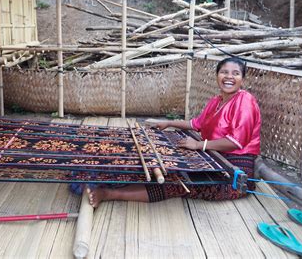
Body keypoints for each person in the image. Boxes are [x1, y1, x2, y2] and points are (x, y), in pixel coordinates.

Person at [87, 57, 262, 207]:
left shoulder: (245, 100)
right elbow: (196, 124)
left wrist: (199, 145)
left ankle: (109, 194)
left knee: (180, 183)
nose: (229, 77)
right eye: (224, 72)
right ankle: (116, 182)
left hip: (234, 172)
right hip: (212, 156)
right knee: (165, 160)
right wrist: (168, 123)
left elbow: (236, 142)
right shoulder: (217, 101)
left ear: (242, 79)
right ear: (217, 75)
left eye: (235, 73)